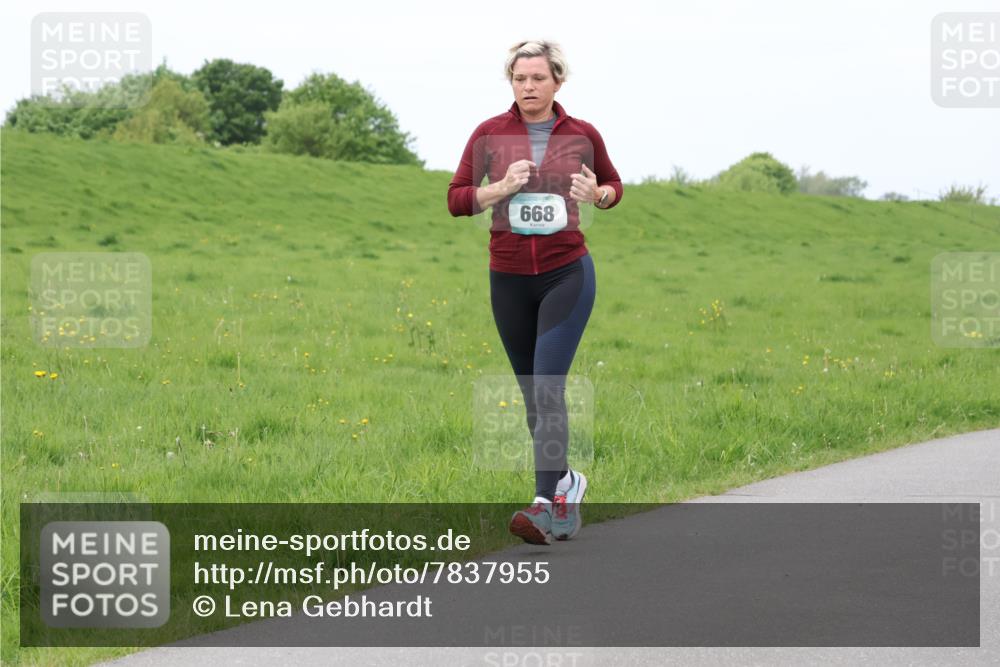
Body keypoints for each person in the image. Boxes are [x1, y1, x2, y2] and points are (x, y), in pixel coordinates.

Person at [447, 40, 623, 545]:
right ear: (512, 82)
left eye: (538, 78)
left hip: (565, 274)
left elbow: (612, 185)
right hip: (507, 279)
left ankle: (545, 505)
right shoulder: (489, 134)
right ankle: (567, 483)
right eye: (520, 78)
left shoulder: (583, 135)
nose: (528, 86)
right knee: (531, 396)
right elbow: (457, 199)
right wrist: (497, 190)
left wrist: (600, 195)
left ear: (556, 82)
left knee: (547, 386)